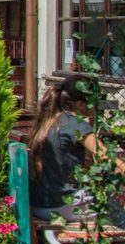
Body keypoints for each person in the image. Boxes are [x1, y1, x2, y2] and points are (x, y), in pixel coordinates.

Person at [27, 75, 125, 221]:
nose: (97, 104)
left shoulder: (52, 121)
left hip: (39, 204)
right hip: (59, 206)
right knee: (111, 204)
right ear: (80, 105)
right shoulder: (76, 125)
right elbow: (106, 157)